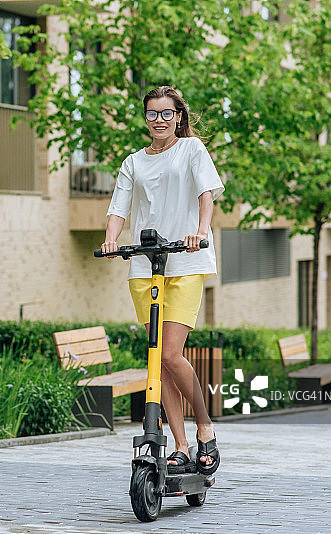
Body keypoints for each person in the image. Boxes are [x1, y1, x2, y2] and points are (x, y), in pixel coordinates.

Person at [100, 86, 223, 476]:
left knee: (170, 353)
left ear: (179, 117)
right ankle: (181, 446)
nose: (159, 121)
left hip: (186, 259)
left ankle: (205, 427)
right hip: (145, 266)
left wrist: (200, 230)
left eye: (166, 114)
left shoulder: (191, 150)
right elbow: (119, 207)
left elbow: (206, 194)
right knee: (158, 362)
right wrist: (110, 238)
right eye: (152, 114)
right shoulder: (133, 161)